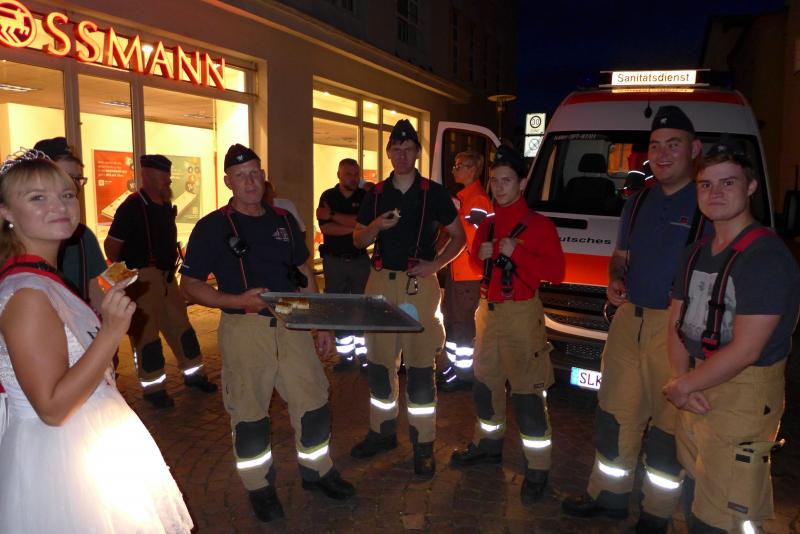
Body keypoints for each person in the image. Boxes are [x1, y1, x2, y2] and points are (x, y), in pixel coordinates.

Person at [0, 151, 192, 532]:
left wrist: (101, 312)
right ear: (6, 213)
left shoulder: (42, 279)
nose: (59, 206)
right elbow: (52, 408)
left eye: (66, 194)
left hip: (88, 442)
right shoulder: (27, 294)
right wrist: (111, 331)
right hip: (61, 459)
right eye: (38, 197)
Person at [179, 144, 355, 523]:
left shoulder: (283, 219)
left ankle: (317, 470)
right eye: (240, 175)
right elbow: (189, 284)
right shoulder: (211, 227)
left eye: (255, 173)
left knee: (313, 399)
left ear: (263, 177)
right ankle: (259, 486)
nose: (250, 182)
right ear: (228, 181)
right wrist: (235, 300)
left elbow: (303, 271)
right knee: (249, 412)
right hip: (245, 329)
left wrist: (320, 321)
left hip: (292, 322)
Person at [562, 105, 707, 532]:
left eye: (673, 145)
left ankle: (656, 514)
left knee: (667, 428)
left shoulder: (707, 202)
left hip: (677, 329)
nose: (662, 154)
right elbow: (620, 256)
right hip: (629, 322)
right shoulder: (639, 200)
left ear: (694, 149)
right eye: (656, 146)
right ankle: (609, 496)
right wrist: (614, 278)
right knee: (614, 414)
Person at [663, 139, 800, 533]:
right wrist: (682, 380)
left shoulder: (765, 257)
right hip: (697, 381)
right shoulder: (694, 252)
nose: (716, 193)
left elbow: (747, 349)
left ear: (751, 187)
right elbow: (676, 322)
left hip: (744, 391)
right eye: (706, 184)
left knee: (726, 512)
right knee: (697, 489)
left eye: (728, 182)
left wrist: (683, 386)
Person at [350, 119, 466, 477]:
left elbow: (459, 237)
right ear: (388, 153)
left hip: (419, 285)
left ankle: (423, 444)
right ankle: (382, 433)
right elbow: (358, 240)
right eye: (396, 150)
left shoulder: (434, 193)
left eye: (408, 149)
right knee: (379, 364)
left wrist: (436, 264)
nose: (401, 155)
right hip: (381, 283)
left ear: (417, 153)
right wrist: (375, 227)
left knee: (419, 367)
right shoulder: (376, 194)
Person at [449, 145, 565, 501]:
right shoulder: (487, 223)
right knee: (485, 385)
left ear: (522, 182)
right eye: (495, 181)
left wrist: (519, 252)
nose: (499, 187)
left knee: (528, 393)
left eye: (507, 180)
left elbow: (557, 273)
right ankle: (488, 444)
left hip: (522, 315)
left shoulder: (539, 225)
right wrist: (478, 255)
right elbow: (474, 265)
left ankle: (537, 468)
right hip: (488, 313)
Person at [105, 154, 216, 409]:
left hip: (167, 278)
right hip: (143, 279)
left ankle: (194, 374)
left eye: (168, 174)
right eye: (163, 175)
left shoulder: (165, 204)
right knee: (146, 336)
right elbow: (111, 247)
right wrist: (130, 274)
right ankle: (154, 389)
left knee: (181, 327)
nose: (168, 180)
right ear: (147, 176)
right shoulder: (132, 207)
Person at [437, 150, 492, 392]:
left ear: (471, 170)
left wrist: (456, 215)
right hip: (459, 272)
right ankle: (454, 367)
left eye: (458, 166)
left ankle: (464, 374)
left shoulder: (477, 200)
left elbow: (476, 236)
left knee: (462, 324)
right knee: (453, 320)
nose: (453, 170)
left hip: (469, 274)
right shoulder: (467, 198)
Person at [33, 137, 105, 309]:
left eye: (77, 178)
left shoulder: (83, 237)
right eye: (63, 176)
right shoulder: (14, 241)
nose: (72, 186)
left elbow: (93, 290)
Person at [317, 158, 370, 371]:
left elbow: (365, 223)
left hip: (359, 261)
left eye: (356, 174)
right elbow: (326, 229)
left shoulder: (364, 197)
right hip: (334, 261)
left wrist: (333, 215)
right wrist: (356, 228)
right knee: (338, 308)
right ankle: (346, 357)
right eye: (348, 174)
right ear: (339, 175)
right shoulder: (328, 196)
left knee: (362, 307)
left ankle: (364, 356)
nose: (353, 178)